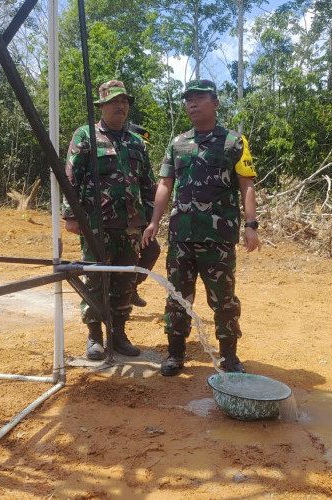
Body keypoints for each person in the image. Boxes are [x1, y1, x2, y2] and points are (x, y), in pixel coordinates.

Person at [142, 79, 260, 376]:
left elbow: (247, 184)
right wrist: (154, 221)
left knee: (224, 299)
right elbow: (165, 184)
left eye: (198, 98)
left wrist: (251, 225)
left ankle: (229, 357)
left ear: (215, 103)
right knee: (177, 297)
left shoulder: (235, 142)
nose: (191, 104)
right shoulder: (177, 143)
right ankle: (175, 354)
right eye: (188, 100)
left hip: (217, 237)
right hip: (182, 236)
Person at [62, 80, 156, 360]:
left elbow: (148, 184)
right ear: (101, 106)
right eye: (114, 101)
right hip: (95, 224)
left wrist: (151, 221)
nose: (121, 106)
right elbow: (71, 177)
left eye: (124, 101)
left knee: (124, 281)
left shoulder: (137, 142)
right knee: (95, 279)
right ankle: (95, 337)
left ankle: (118, 333)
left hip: (131, 226)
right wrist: (70, 215)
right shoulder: (85, 136)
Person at [128, 123, 161, 307]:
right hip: (113, 219)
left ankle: (131, 287)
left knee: (152, 250)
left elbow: (149, 191)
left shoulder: (142, 161)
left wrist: (150, 221)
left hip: (138, 219)